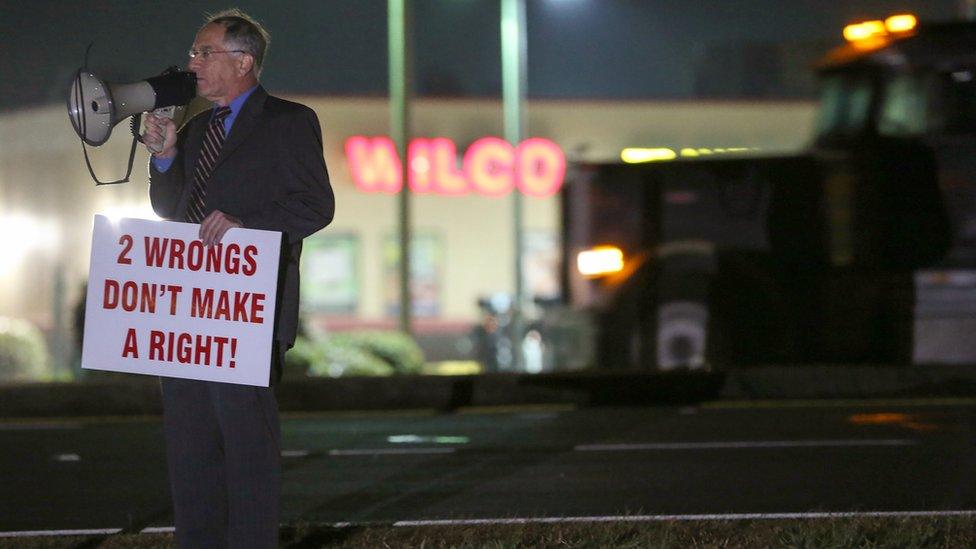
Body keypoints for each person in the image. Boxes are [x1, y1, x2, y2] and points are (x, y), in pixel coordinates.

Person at [143, 9, 334, 548]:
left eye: (205, 53)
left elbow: (315, 206)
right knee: (189, 445)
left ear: (243, 61)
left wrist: (249, 228)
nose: (192, 63)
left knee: (247, 444)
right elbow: (170, 207)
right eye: (194, 53)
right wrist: (164, 156)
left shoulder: (289, 121)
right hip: (186, 313)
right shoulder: (198, 126)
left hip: (245, 312)